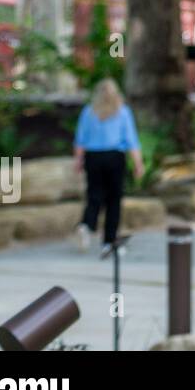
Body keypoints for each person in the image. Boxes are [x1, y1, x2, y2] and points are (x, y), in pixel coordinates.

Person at [73, 79, 144, 257]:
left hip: (93, 158)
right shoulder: (123, 112)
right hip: (114, 157)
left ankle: (86, 224)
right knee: (114, 200)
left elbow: (80, 141)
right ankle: (109, 241)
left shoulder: (89, 112)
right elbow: (131, 141)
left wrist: (78, 161)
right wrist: (138, 164)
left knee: (94, 195)